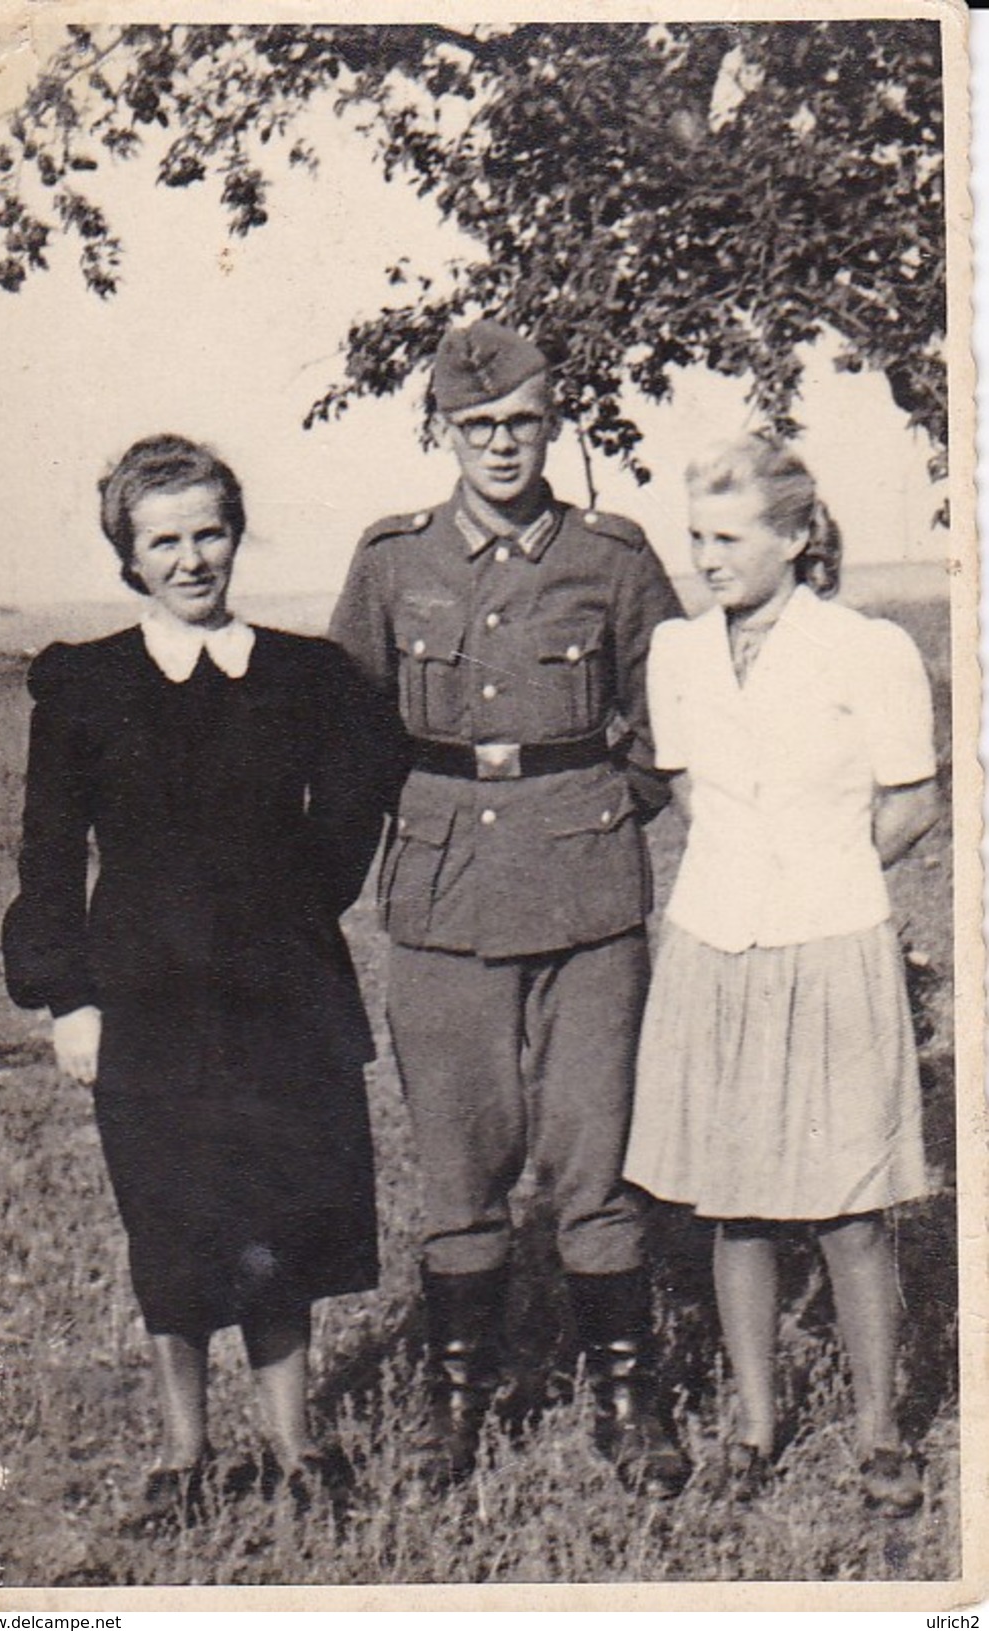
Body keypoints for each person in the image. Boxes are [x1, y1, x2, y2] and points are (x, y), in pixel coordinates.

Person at [3, 435, 400, 1525]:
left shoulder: (306, 676)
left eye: (208, 532)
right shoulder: (86, 681)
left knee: (282, 1221)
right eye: (163, 540)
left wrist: (296, 908)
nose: (190, 559)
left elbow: (359, 799)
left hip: (283, 999)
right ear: (129, 555)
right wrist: (68, 997)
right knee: (170, 1224)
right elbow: (44, 854)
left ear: (236, 533)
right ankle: (183, 1455)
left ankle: (293, 1443)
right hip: (145, 1003)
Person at [329, 317, 688, 1495]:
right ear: (443, 428)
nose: (499, 445)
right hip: (440, 896)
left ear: (550, 424)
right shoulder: (392, 561)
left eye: (520, 423)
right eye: (475, 425)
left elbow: (668, 724)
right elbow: (351, 731)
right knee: (457, 1168)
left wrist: (593, 802)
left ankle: (627, 1402)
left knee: (594, 1163)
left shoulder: (613, 557)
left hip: (588, 895)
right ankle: (453, 1401)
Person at [623, 434, 940, 1514]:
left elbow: (908, 802)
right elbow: (684, 789)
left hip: (831, 938)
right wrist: (744, 873)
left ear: (796, 537)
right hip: (712, 941)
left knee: (848, 1207)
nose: (704, 558)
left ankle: (878, 1429)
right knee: (736, 1205)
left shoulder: (866, 649)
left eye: (727, 537)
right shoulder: (675, 652)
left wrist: (819, 873)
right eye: (694, 537)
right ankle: (754, 1425)